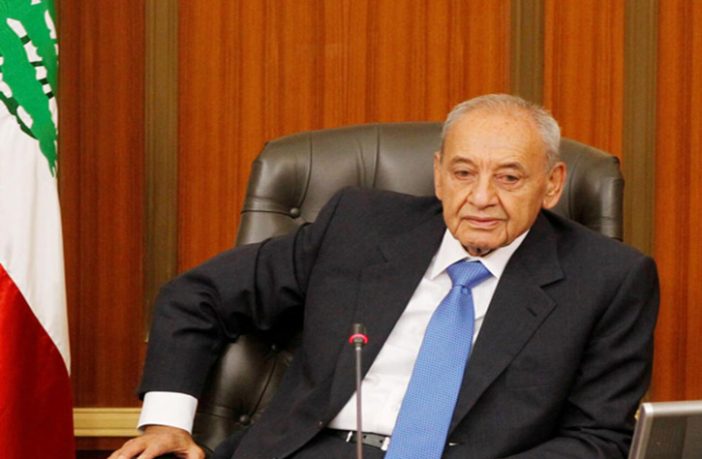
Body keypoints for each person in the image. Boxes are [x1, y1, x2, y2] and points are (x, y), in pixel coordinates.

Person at [111, 94, 659, 459]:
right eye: (463, 173)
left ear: (553, 184)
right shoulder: (359, 225)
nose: (481, 198)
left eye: (509, 178)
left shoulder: (608, 278)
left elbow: (597, 438)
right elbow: (199, 295)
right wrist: (167, 422)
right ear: (438, 174)